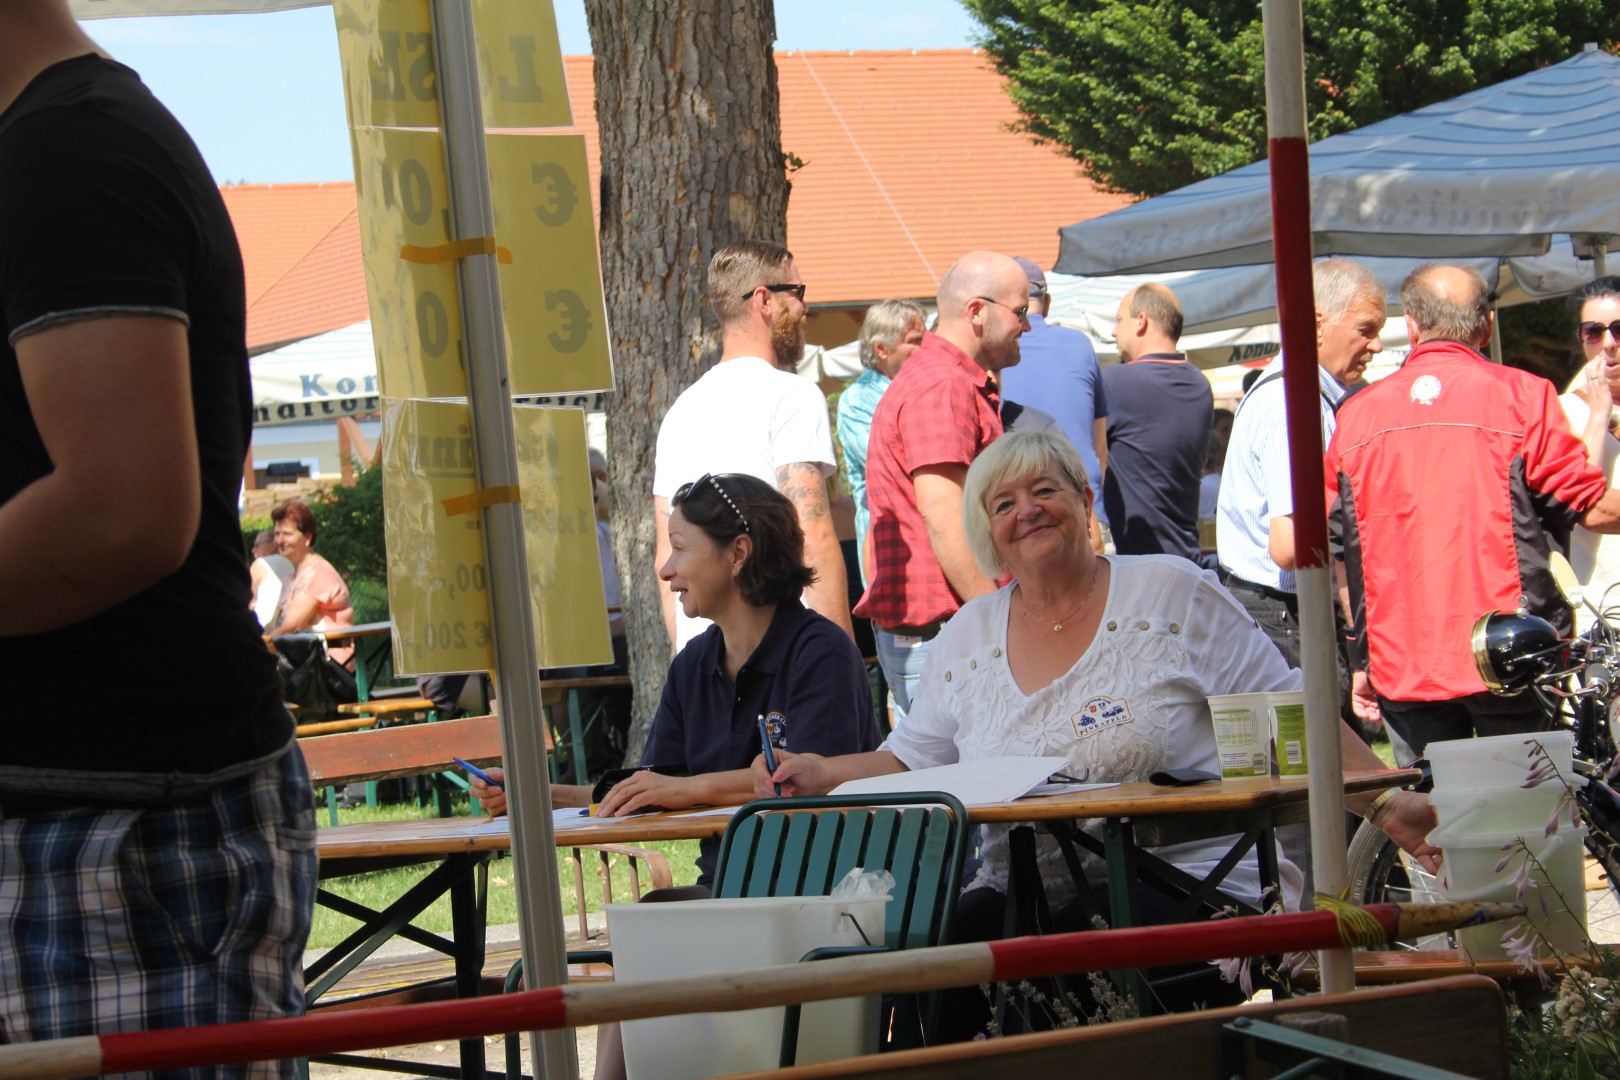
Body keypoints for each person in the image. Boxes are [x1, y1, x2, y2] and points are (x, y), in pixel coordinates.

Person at [760, 431, 1434, 1033]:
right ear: (986, 531)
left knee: (1072, 969)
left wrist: (1380, 801)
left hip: (1188, 888)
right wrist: (825, 772)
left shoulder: (1168, 594)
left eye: (1044, 489)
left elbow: (1284, 713)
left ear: (1084, 502)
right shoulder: (967, 637)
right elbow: (911, 759)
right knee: (925, 972)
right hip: (1023, 893)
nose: (1026, 510)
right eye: (1003, 503)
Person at [0, 4, 314, 1062]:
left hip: (110, 830)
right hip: (97, 816)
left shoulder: (68, 151)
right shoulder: (58, 142)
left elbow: (122, 511)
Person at [472, 472, 880, 882]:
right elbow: (651, 789)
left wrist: (685, 789)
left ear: (738, 552)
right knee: (647, 926)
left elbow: (805, 781)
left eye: (680, 548)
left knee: (652, 931)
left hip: (834, 889)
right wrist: (533, 796)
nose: (666, 570)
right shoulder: (694, 662)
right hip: (729, 888)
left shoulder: (820, 652)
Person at [1328, 263, 1620, 757]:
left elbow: (1338, 550)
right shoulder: (1524, 397)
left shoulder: (1355, 417)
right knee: (1533, 817)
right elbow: (1590, 508)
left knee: (1433, 823)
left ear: (1413, 326)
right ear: (1487, 328)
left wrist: (1362, 654)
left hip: (1403, 662)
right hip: (1511, 652)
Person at [653, 240, 853, 653]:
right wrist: (842, 660)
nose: (803, 308)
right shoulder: (791, 395)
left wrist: (685, 657)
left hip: (706, 660)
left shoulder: (680, 410)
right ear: (764, 299)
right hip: (783, 653)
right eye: (797, 293)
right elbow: (811, 533)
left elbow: (666, 553)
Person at [855, 251, 1028, 725]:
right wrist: (994, 618)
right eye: (1021, 312)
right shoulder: (942, 384)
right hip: (946, 633)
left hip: (943, 631)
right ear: (977, 311)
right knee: (965, 785)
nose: (1027, 326)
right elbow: (943, 510)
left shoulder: (945, 379)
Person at [1217, 258, 1386, 666]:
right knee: (1316, 730)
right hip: (1284, 614)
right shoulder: (1293, 405)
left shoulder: (1304, 396)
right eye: (1367, 329)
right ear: (1317, 323)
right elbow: (1291, 545)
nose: (1377, 345)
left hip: (1280, 610)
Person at [998, 256, 1109, 547]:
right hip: (1086, 505)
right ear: (1045, 302)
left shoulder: (995, 352)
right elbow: (1101, 445)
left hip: (1025, 515)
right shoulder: (1079, 343)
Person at [1102, 284, 1213, 559]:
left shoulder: (1117, 383)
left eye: (1118, 320)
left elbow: (1080, 460)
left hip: (1140, 565)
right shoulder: (1199, 384)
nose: (1114, 331)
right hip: (1186, 557)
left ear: (1141, 321)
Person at [836, 299, 926, 585]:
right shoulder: (858, 400)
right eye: (916, 341)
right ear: (881, 349)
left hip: (934, 548)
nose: (926, 349)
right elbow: (898, 465)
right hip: (895, 559)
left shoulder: (926, 389)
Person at [1559, 276, 1620, 621]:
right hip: (1599, 612)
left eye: (1619, 329)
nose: (1608, 344)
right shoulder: (1563, 411)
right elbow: (1586, 506)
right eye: (1593, 332)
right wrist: (1599, 415)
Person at [267, 498, 356, 667]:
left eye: (287, 534)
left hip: (330, 668)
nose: (279, 540)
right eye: (277, 534)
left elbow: (291, 626)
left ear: (307, 538)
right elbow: (276, 626)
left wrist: (258, 647)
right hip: (304, 663)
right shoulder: (293, 575)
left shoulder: (318, 572)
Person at [249, 527, 294, 628]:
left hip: (261, 628)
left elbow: (245, 598)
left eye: (257, 545)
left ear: (273, 545)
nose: (253, 550)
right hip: (287, 629)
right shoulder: (293, 564)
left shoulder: (261, 563)